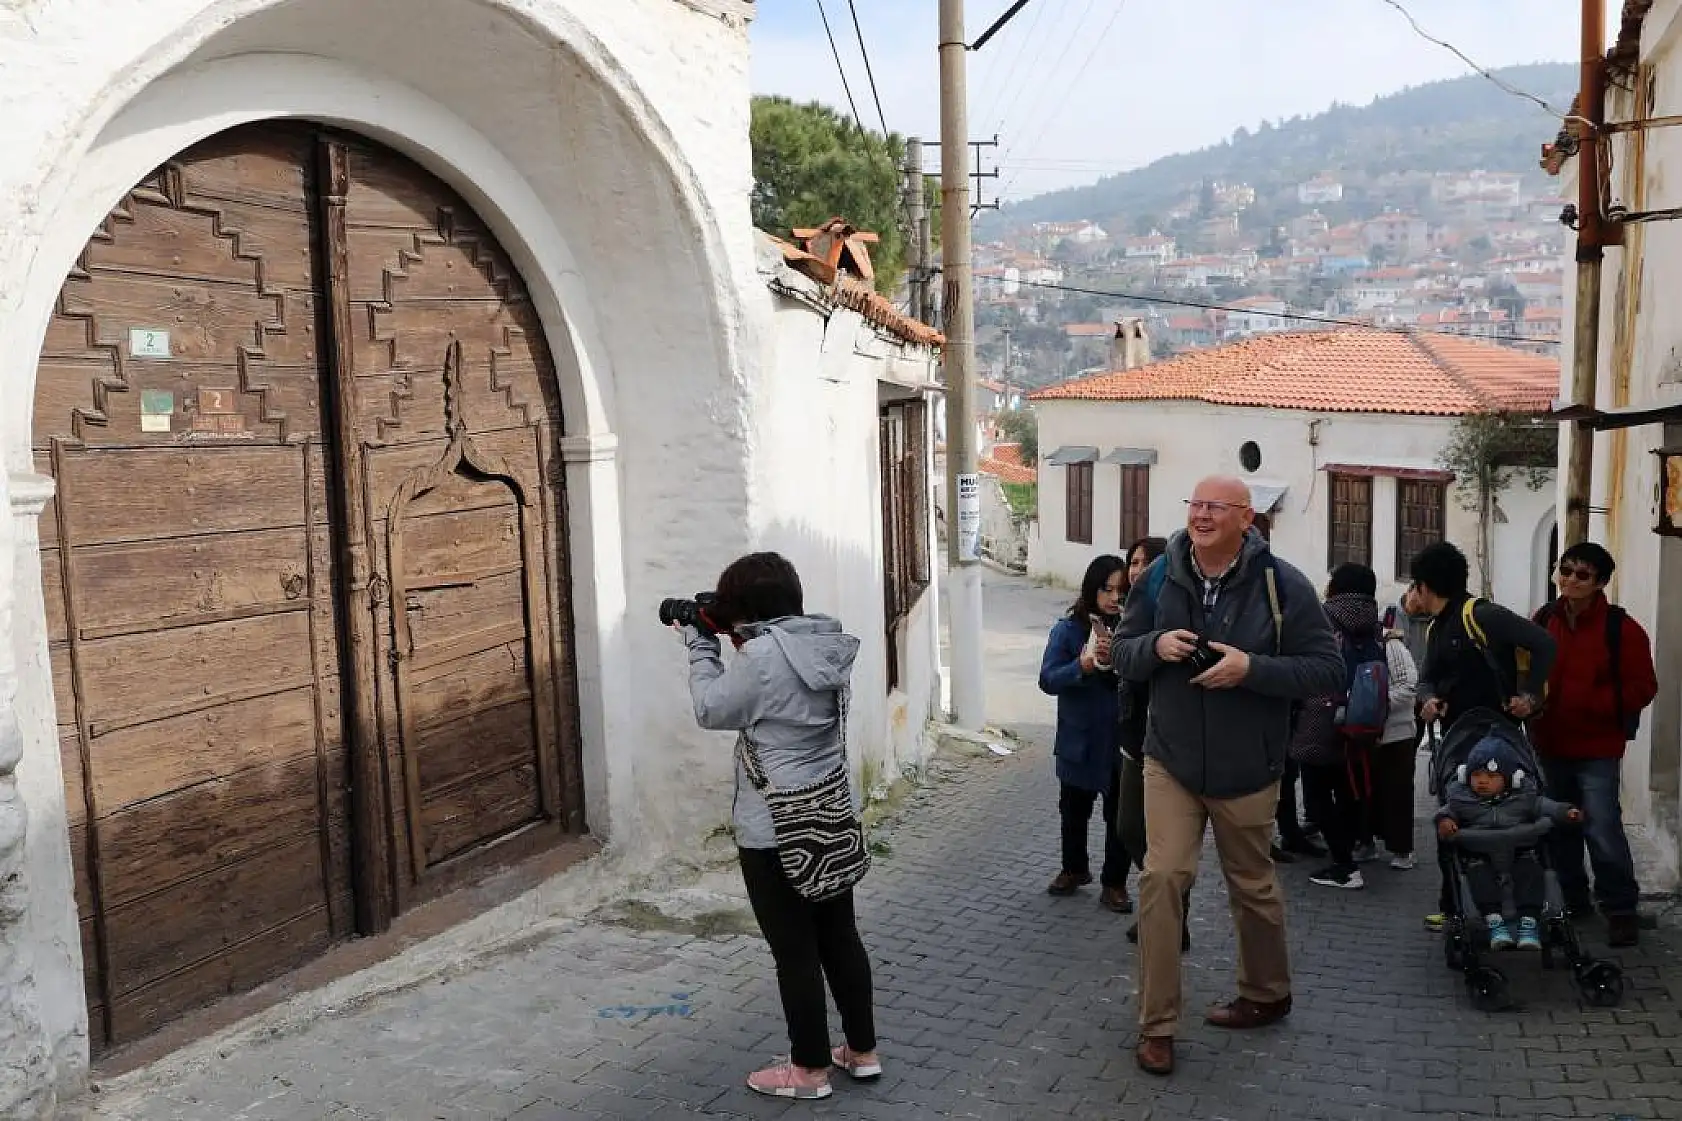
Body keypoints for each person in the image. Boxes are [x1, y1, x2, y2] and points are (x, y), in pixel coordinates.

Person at [1113, 476, 1345, 1077]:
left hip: (1249, 766)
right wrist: (1156, 644)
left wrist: (1252, 669)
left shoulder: (1282, 584)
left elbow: (1325, 669)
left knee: (1253, 885)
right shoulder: (1160, 576)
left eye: (1216, 506)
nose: (1201, 514)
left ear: (1248, 519)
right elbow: (1121, 651)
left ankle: (1266, 994)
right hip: (1172, 759)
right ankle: (1157, 1026)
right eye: (1194, 503)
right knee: (1163, 877)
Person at [681, 552, 879, 1100]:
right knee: (840, 936)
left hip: (774, 827)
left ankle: (810, 1070)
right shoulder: (826, 642)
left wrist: (701, 644)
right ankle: (861, 1052)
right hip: (829, 811)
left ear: (742, 612)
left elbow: (711, 708)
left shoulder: (762, 656)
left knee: (794, 950)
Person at [1408, 541, 1557, 932]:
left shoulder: (1482, 615)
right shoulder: (1437, 628)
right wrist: (1427, 699)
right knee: (1454, 821)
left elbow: (1543, 643)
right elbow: (1427, 679)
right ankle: (1455, 905)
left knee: (1512, 821)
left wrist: (1529, 695)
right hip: (1457, 743)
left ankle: (1522, 904)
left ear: (1424, 586)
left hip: (1500, 743)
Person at [1530, 543, 1658, 947]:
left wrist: (1590, 704)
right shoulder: (1543, 619)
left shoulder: (1622, 629)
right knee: (1558, 824)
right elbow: (1526, 668)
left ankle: (1620, 908)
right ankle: (1572, 898)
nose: (1569, 580)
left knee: (1601, 827)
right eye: (1564, 571)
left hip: (1597, 747)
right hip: (1549, 742)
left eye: (1581, 574)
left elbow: (1643, 686)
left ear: (1601, 582)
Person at [1291, 563, 1395, 891]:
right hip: (1361, 720)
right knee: (1349, 790)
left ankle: (1344, 866)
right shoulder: (1374, 623)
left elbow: (1306, 665)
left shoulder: (1323, 618)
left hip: (1320, 717)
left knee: (1317, 794)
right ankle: (1348, 852)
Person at [1039, 554, 1133, 912]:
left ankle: (1115, 883)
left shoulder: (1132, 628)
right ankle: (1074, 869)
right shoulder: (1069, 630)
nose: (1112, 597)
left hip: (1119, 741)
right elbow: (1048, 679)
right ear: (1091, 588)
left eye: (1119, 590)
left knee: (1119, 817)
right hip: (1080, 739)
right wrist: (1082, 665)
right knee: (1074, 811)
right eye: (1105, 589)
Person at [1435, 736, 1583, 951]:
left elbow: (1546, 806)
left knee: (1532, 873)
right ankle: (1494, 922)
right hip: (1480, 855)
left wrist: (1566, 811)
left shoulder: (1524, 797)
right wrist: (1445, 822)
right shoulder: (1462, 801)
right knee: (1478, 877)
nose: (1482, 781)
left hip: (1519, 852)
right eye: (1476, 775)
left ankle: (1529, 923)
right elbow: (1446, 813)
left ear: (1510, 779)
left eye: (1491, 775)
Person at [1115, 536, 1192, 948]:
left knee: (1168, 842)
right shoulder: (1127, 613)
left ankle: (1168, 916)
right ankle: (1165, 905)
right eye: (1134, 562)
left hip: (1171, 741)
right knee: (1129, 827)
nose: (1137, 570)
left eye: (1147, 563)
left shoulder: (1174, 611)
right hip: (1134, 738)